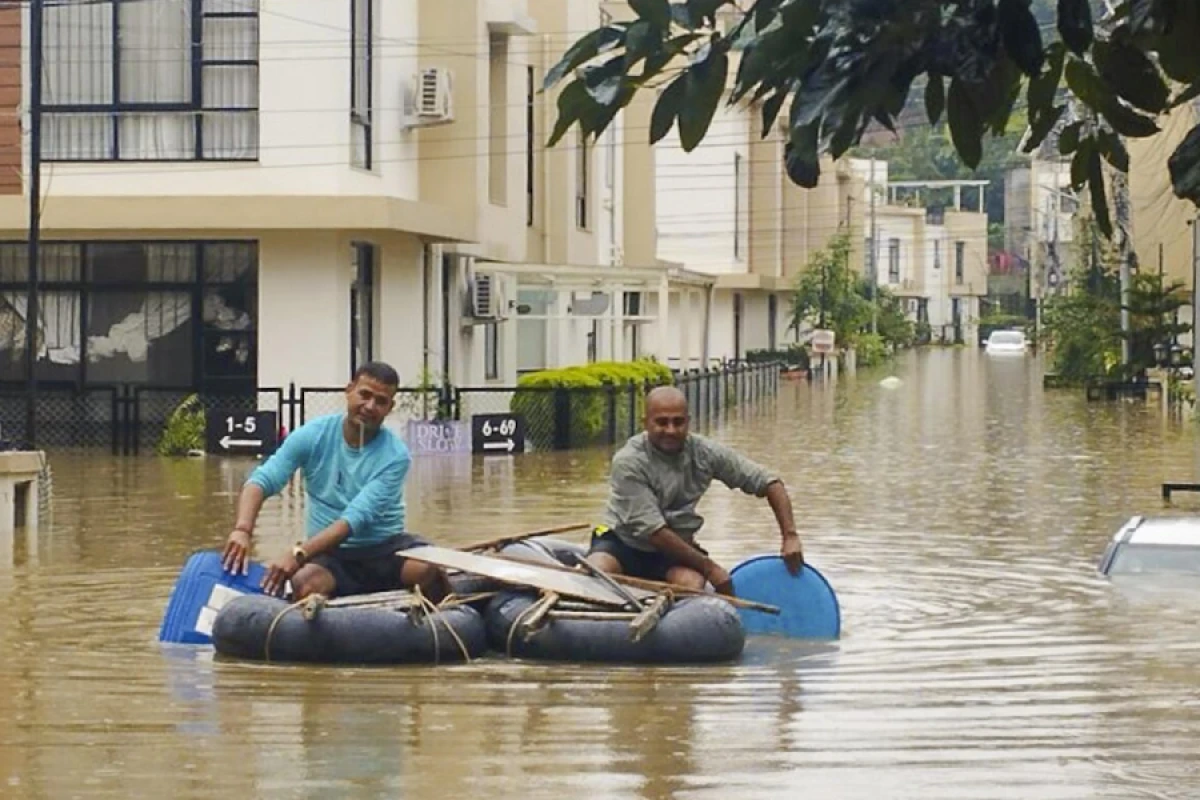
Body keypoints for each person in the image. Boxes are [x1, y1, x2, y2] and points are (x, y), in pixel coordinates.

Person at [220, 361, 451, 602]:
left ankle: (441, 624)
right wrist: (242, 530)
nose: (370, 406)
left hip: (386, 550)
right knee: (304, 583)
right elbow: (262, 480)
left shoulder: (395, 455)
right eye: (365, 395)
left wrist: (298, 553)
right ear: (349, 390)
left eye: (380, 401)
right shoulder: (312, 435)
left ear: (390, 408)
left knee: (426, 568)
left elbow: (354, 519)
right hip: (331, 555)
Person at [586, 385, 804, 596]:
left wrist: (790, 536)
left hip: (673, 549)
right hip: (624, 542)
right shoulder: (628, 462)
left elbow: (770, 482)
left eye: (678, 422)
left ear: (688, 422)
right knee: (598, 569)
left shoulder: (704, 453)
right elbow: (654, 532)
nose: (670, 430)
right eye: (661, 422)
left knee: (692, 585)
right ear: (646, 423)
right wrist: (710, 568)